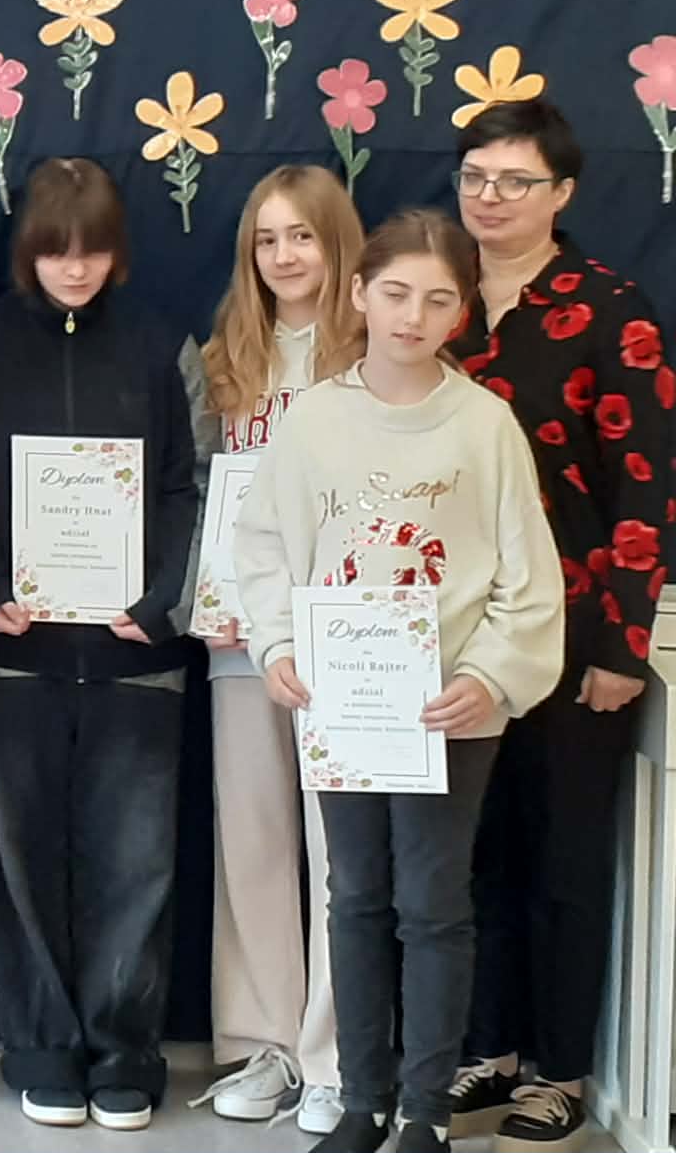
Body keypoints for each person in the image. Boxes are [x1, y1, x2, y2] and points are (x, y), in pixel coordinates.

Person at [233, 208, 565, 1153]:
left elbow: (527, 577)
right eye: (394, 294)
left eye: (436, 299)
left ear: (461, 311)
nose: (412, 316)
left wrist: (491, 677)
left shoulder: (485, 425)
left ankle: (424, 1113)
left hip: (448, 712)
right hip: (344, 707)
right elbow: (263, 546)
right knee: (355, 898)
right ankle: (361, 1101)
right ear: (358, 295)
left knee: (434, 905)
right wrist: (278, 647)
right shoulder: (316, 420)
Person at [0, 156, 198, 1133]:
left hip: (138, 653)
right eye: (55, 251)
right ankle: (40, 1046)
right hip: (9, 647)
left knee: (137, 863)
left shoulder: (165, 344)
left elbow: (194, 483)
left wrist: (163, 603)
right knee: (17, 863)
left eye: (91, 251)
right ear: (27, 250)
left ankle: (125, 1052)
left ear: (117, 251)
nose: (74, 269)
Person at [444, 101, 673, 1153]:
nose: (489, 197)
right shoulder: (434, 299)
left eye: (514, 180)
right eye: (474, 176)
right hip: (456, 635)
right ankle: (485, 1050)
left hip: (578, 637)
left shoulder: (610, 310)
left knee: (565, 861)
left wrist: (624, 645)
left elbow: (646, 487)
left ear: (562, 193)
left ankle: (559, 1070)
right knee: (474, 853)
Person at [187, 167, 363, 1136]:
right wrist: (209, 594)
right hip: (240, 629)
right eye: (266, 238)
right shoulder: (228, 357)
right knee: (250, 838)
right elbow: (206, 495)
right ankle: (265, 1043)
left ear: (337, 244)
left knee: (341, 850)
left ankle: (335, 1056)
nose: (284, 255)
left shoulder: (374, 347)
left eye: (301, 236)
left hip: (346, 633)